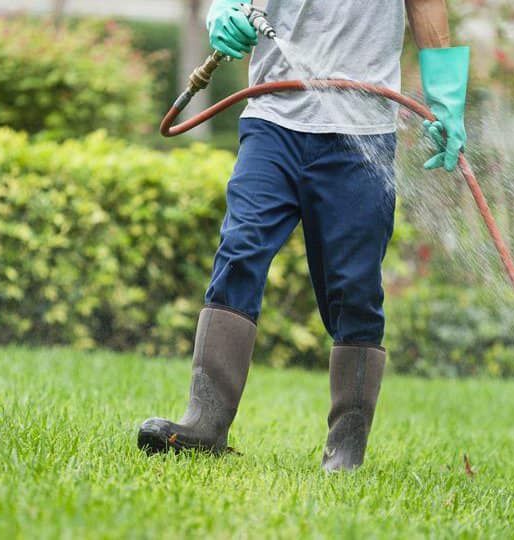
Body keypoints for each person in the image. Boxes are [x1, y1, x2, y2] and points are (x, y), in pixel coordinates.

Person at [138, 0, 469, 472]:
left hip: (363, 133)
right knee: (240, 250)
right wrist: (225, 8)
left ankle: (346, 446)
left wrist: (445, 98)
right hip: (274, 119)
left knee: (355, 287)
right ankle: (205, 422)